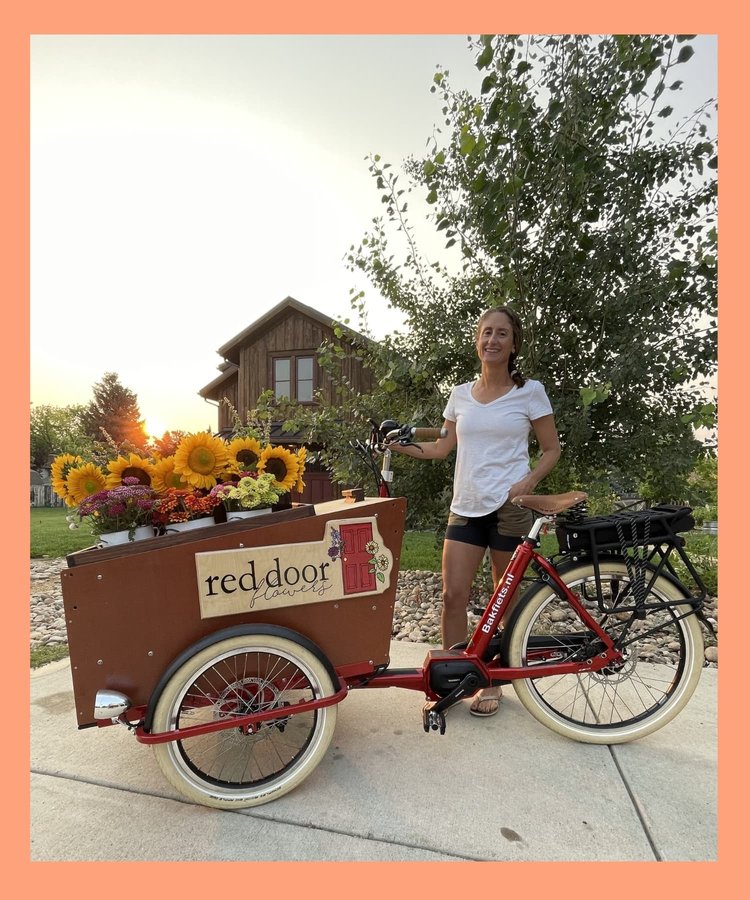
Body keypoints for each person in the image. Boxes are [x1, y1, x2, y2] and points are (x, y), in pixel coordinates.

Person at [391, 306, 561, 716]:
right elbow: (441, 447)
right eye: (486, 333)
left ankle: (493, 681)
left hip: (511, 506)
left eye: (502, 333)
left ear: (513, 343)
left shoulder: (530, 392)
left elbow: (552, 449)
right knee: (453, 595)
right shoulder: (460, 394)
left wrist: (529, 482)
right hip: (465, 506)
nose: (493, 340)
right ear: (476, 340)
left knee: (504, 599)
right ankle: (455, 675)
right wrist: (399, 445)